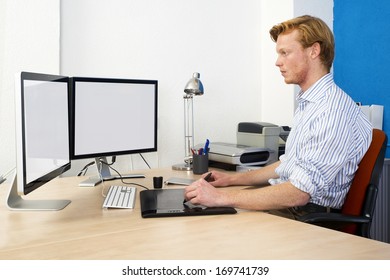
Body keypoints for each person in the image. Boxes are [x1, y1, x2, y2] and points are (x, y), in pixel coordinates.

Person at [184, 15, 372, 218]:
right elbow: (288, 164)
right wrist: (230, 181)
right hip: (292, 206)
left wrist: (221, 198)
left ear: (314, 51)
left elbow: (298, 193)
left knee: (211, 222)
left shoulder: (331, 111)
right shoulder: (311, 103)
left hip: (305, 216)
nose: (277, 62)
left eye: (285, 53)